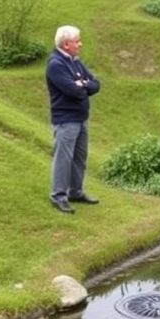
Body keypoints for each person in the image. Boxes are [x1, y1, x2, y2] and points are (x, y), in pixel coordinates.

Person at [46, 25, 101, 214]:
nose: (80, 44)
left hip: (81, 118)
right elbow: (73, 91)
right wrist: (82, 86)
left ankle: (75, 191)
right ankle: (58, 196)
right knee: (63, 159)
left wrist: (83, 83)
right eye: (77, 41)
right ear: (66, 44)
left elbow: (95, 85)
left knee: (79, 157)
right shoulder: (56, 64)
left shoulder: (75, 61)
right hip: (65, 120)